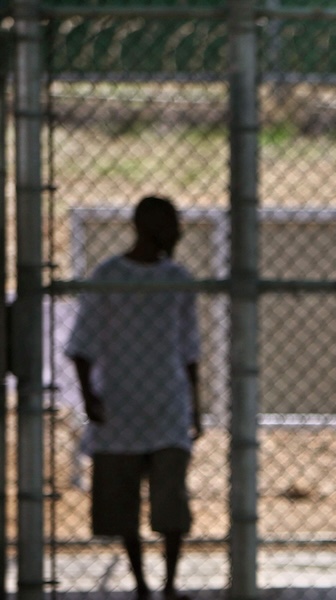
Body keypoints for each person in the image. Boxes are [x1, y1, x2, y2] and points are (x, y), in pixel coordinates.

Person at [66, 195, 202, 600]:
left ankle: (170, 583)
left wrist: (194, 405)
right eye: (171, 223)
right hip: (120, 402)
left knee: (171, 501)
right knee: (123, 501)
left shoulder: (179, 279)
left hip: (167, 402)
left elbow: (189, 348)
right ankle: (141, 582)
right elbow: (83, 343)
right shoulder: (108, 275)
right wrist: (90, 396)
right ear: (148, 225)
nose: (178, 231)